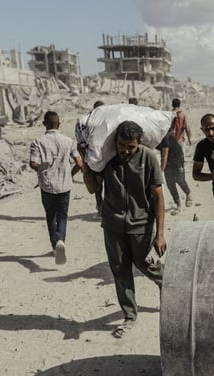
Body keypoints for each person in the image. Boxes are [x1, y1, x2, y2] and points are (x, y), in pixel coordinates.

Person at [82, 121, 166, 338]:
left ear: (139, 144)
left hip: (141, 225)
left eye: (131, 147)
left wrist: (160, 234)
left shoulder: (148, 157)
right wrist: (86, 164)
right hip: (113, 225)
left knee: (146, 265)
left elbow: (158, 196)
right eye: (121, 145)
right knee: (120, 270)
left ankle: (167, 286)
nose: (125, 151)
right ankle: (129, 316)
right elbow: (92, 188)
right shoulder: (106, 158)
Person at [29, 111, 83, 265]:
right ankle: (61, 241)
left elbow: (33, 163)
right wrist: (70, 174)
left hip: (47, 185)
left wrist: (41, 170)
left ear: (44, 124)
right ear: (59, 125)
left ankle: (55, 245)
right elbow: (79, 163)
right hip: (64, 184)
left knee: (50, 216)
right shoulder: (68, 141)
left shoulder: (37, 142)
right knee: (63, 216)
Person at [76, 100, 106, 216]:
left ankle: (100, 207)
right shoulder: (105, 120)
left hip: (92, 158)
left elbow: (80, 144)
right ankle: (102, 208)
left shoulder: (83, 122)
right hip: (103, 158)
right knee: (104, 185)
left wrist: (85, 161)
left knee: (98, 186)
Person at [157, 131, 193, 213]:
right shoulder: (154, 138)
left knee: (180, 179)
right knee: (170, 183)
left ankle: (188, 192)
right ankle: (178, 203)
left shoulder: (165, 137)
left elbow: (164, 157)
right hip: (168, 160)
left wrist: (160, 172)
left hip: (177, 159)